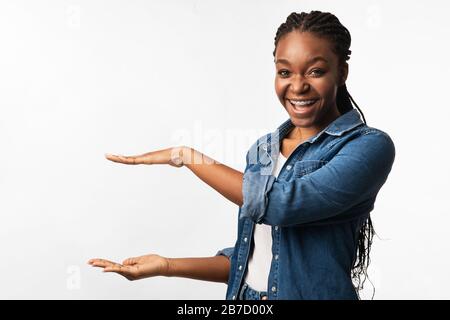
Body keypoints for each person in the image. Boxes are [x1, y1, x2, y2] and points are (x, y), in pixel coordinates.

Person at [88, 10, 395, 300]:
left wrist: (187, 156)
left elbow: (279, 205)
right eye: (285, 71)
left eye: (316, 71)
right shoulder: (265, 148)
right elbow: (251, 259)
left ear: (341, 71)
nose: (298, 86)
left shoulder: (368, 147)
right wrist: (166, 266)